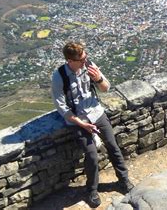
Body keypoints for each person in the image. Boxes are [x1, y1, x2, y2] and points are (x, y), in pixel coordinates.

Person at [51, 41, 133, 208]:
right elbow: (61, 107)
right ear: (69, 60)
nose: (85, 61)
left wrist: (99, 78)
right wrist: (81, 124)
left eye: (85, 57)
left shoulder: (89, 66)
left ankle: (123, 181)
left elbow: (106, 88)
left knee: (113, 146)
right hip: (78, 119)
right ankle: (92, 190)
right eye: (81, 59)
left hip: (96, 112)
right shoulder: (59, 76)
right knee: (92, 156)